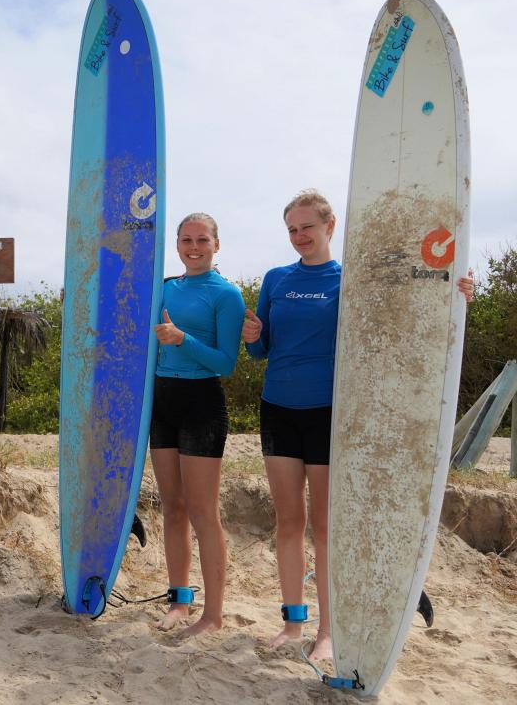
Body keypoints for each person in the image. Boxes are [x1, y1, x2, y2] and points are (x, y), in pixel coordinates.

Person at [242, 189, 473, 659]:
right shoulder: (275, 279)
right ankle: (292, 622)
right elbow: (260, 350)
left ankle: (328, 631)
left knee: (326, 526)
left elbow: (410, 312)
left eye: (307, 226)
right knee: (289, 520)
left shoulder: (354, 279)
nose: (299, 236)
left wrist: (457, 291)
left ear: (331, 226)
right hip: (278, 408)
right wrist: (253, 337)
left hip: (331, 414)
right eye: (291, 229)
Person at [150, 212, 245, 636]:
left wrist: (182, 339)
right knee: (173, 508)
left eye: (202, 240)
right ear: (177, 244)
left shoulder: (226, 295)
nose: (194, 246)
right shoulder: (165, 287)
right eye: (186, 239)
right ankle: (180, 599)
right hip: (162, 401)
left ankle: (214, 614)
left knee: (204, 511)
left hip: (202, 404)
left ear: (216, 245)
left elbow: (225, 363)